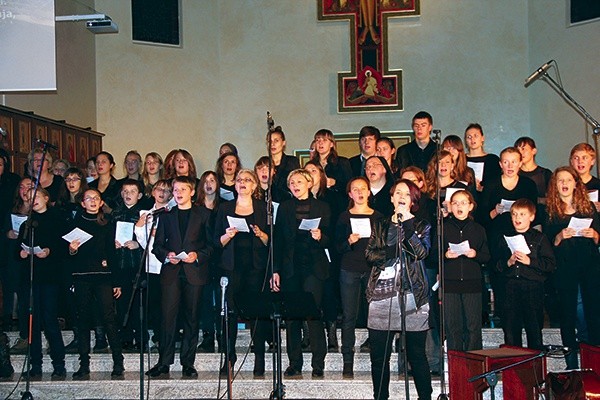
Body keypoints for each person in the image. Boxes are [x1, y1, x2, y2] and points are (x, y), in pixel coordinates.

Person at [365, 178, 432, 400]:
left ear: (412, 200)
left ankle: (425, 397)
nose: (401, 197)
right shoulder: (380, 224)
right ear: (392, 198)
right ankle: (380, 397)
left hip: (413, 297)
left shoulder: (422, 225)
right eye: (398, 193)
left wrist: (408, 228)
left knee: (416, 354)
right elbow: (370, 254)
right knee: (379, 357)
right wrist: (391, 251)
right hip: (381, 296)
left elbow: (421, 253)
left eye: (406, 194)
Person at [147, 176, 213, 379]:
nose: (178, 193)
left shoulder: (203, 214)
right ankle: (164, 362)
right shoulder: (166, 215)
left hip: (194, 272)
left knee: (191, 318)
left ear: (192, 192)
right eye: (175, 190)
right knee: (167, 318)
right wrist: (167, 255)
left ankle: (188, 363)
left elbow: (211, 245)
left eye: (183, 189)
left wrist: (198, 256)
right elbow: (157, 246)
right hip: (171, 272)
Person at [271, 169, 331, 378]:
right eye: (291, 182)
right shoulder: (285, 208)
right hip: (290, 269)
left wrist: (320, 236)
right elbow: (277, 241)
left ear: (309, 182)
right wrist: (275, 270)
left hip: (314, 268)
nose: (295, 185)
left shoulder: (322, 207)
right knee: (291, 318)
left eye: (299, 181)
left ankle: (318, 363)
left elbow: (330, 239)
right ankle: (295, 363)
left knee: (313, 315)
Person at [214, 169, 270, 377]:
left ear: (255, 186)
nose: (242, 183)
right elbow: (215, 241)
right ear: (234, 185)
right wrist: (227, 237)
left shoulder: (263, 208)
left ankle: (259, 357)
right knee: (229, 313)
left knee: (257, 313)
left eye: (247, 180)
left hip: (256, 268)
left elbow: (272, 241)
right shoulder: (225, 208)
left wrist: (262, 235)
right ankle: (229, 357)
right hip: (231, 267)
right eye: (239, 180)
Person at [544, 166, 600, 369]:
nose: (565, 184)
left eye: (568, 179)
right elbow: (546, 244)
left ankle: (592, 361)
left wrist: (594, 235)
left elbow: (598, 236)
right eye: (560, 180)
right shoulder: (550, 211)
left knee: (591, 313)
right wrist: (559, 237)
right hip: (564, 270)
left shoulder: (589, 208)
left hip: (589, 268)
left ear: (576, 183)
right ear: (554, 185)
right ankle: (571, 365)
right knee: (569, 314)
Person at [67, 188, 124, 379]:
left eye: (96, 198)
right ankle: (84, 364)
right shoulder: (74, 223)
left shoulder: (107, 223)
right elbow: (67, 256)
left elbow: (112, 254)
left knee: (109, 318)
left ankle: (118, 362)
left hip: (103, 276)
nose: (92, 201)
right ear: (82, 203)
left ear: (101, 203)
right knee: (83, 320)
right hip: (82, 276)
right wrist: (72, 250)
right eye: (88, 198)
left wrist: (117, 281)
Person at [479, 147, 537, 320]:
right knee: (499, 274)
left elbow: (535, 214)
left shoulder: (528, 184)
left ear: (520, 163)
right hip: (497, 238)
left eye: (514, 161)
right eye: (505, 161)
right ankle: (501, 314)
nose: (510, 165)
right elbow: (481, 217)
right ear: (500, 164)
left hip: (522, 237)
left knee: (523, 276)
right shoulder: (491, 184)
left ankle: (525, 313)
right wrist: (495, 211)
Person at [335, 176, 383, 378]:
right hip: (349, 269)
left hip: (372, 269)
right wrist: (348, 241)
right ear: (350, 194)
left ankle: (377, 356)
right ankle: (347, 359)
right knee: (349, 316)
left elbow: (383, 248)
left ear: (369, 192)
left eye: (363, 188)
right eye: (355, 189)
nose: (360, 192)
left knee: (375, 315)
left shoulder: (379, 217)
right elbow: (336, 247)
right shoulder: (344, 217)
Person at [17, 188, 66, 378]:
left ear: (46, 197)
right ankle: (35, 364)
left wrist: (48, 251)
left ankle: (59, 364)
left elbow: (62, 246)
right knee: (32, 322)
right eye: (29, 198)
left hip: (49, 278)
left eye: (36, 196)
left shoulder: (56, 219)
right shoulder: (27, 224)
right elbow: (17, 249)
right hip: (30, 278)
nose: (32, 200)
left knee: (49, 320)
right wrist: (20, 253)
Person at [496, 198, 555, 350]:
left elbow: (550, 264)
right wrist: (508, 262)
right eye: (514, 214)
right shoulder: (505, 237)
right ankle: (512, 370)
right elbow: (496, 266)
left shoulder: (539, 238)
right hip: (510, 288)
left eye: (522, 214)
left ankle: (535, 370)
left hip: (532, 288)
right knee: (510, 332)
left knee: (534, 330)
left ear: (531, 217)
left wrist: (530, 261)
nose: (517, 218)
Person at [443, 190, 490, 351]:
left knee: (473, 327)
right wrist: (445, 255)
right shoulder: (443, 228)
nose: (459, 206)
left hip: (472, 283)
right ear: (450, 206)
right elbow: (432, 256)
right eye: (455, 203)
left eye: (463, 203)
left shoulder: (479, 229)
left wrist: (475, 254)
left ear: (470, 206)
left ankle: (474, 366)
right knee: (453, 327)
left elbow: (487, 256)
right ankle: (456, 366)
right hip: (450, 284)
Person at [134, 179, 173, 352]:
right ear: (153, 191)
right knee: (155, 305)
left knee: (168, 305)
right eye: (159, 189)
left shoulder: (172, 212)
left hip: (167, 264)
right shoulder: (147, 213)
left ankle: (167, 337)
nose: (162, 192)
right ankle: (155, 337)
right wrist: (139, 227)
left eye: (166, 190)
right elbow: (143, 243)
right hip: (151, 265)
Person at [111, 179, 145, 351]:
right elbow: (107, 238)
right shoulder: (115, 214)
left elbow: (151, 239)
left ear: (139, 195)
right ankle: (126, 337)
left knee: (139, 302)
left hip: (138, 264)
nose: (128, 194)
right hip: (120, 263)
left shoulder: (144, 214)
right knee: (123, 302)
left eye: (132, 191)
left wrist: (138, 244)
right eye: (125, 191)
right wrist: (113, 243)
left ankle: (140, 337)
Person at [195, 171, 221, 353]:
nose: (209, 184)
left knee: (220, 300)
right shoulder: (195, 208)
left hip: (220, 257)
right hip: (201, 258)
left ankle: (222, 335)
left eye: (213, 180)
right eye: (206, 181)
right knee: (204, 299)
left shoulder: (224, 206)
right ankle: (208, 336)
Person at [6, 178, 33, 353]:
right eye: (21, 187)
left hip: (35, 261)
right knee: (21, 298)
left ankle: (32, 335)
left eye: (29, 187)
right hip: (15, 259)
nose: (24, 190)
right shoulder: (11, 209)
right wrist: (6, 233)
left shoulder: (39, 211)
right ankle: (24, 335)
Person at [311, 129, 353, 195]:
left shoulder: (342, 162)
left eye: (324, 140)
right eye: (317, 140)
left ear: (331, 144)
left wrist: (335, 183)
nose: (320, 143)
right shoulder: (311, 164)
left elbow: (350, 185)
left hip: (337, 201)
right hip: (317, 201)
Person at [464, 123, 502, 192]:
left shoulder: (493, 160)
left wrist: (483, 189)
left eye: (476, 136)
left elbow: (497, 184)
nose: (472, 139)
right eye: (469, 137)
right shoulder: (461, 159)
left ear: (482, 138)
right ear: (465, 140)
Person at [267, 126, 300, 202]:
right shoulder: (265, 163)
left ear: (283, 143)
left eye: (276, 140)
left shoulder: (292, 161)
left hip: (289, 202)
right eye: (270, 141)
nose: (272, 144)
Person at [569, 143, 600, 212]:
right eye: (576, 158)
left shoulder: (598, 184)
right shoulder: (566, 185)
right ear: (571, 162)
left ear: (592, 161)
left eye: (584, 158)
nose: (580, 161)